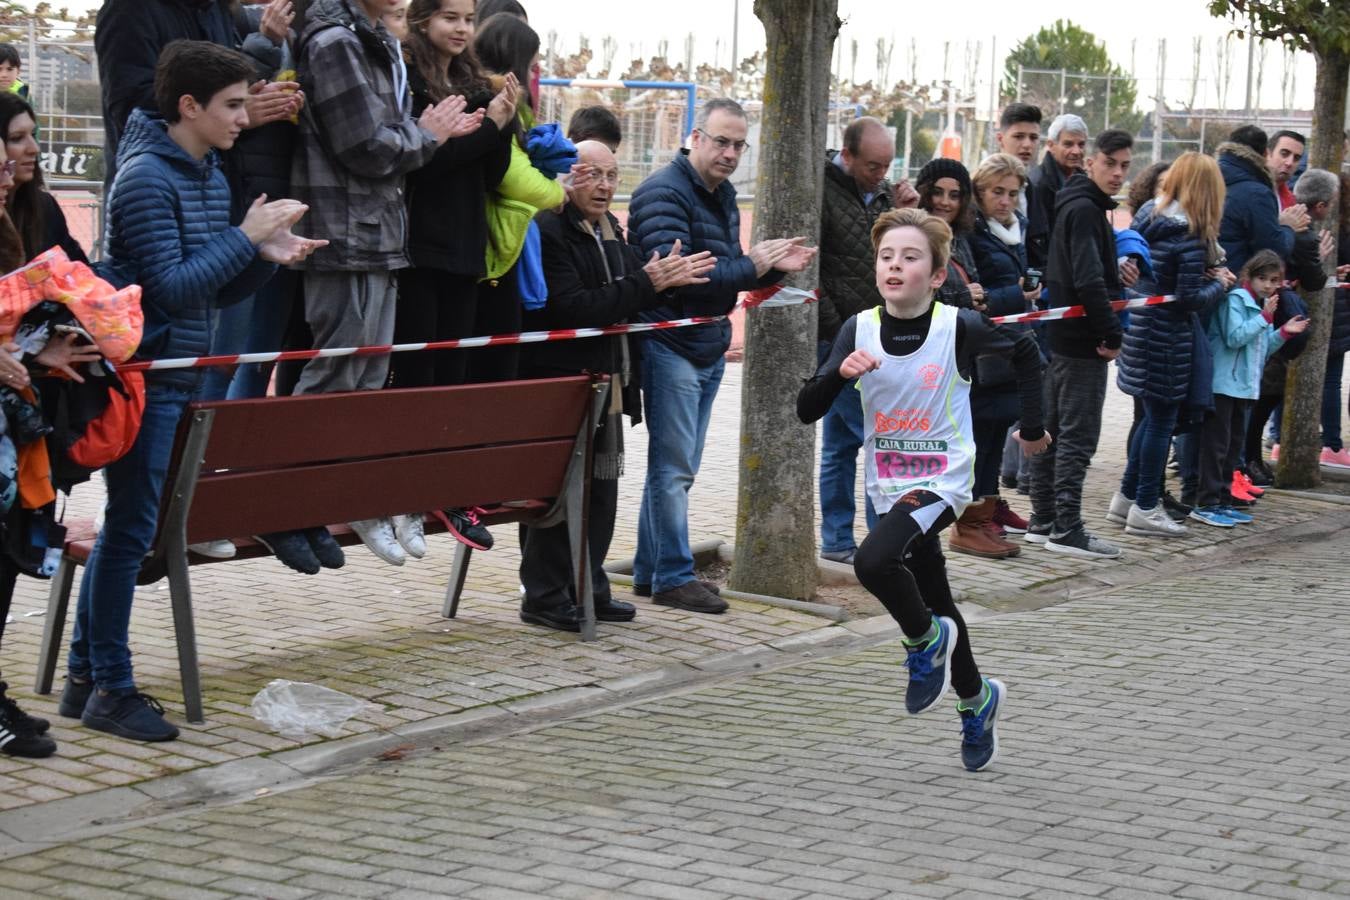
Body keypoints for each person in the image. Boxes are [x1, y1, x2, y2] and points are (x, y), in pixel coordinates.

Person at [57, 40, 325, 743]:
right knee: (131, 535)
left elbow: (208, 285)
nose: (245, 117)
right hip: (150, 379)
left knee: (131, 531)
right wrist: (245, 237)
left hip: (183, 373)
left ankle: (88, 676)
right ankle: (108, 686)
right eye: (233, 105)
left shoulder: (205, 172)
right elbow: (168, 292)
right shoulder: (147, 177)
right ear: (189, 106)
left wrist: (264, 257)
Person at [797, 208, 1049, 772]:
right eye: (887, 256)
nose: (894, 266)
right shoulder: (857, 329)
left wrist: (1030, 427)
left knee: (872, 562)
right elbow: (804, 410)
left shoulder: (956, 325)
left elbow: (1028, 351)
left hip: (943, 480)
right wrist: (839, 375)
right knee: (937, 599)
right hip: (888, 483)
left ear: (936, 275)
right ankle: (977, 699)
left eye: (910, 257)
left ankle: (922, 641)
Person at [288, 0, 478, 567]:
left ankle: (350, 499)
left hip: (378, 233)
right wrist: (428, 134)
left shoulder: (370, 37)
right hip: (344, 235)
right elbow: (366, 146)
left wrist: (422, 134)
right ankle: (297, 505)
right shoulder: (334, 41)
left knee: (368, 377)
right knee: (336, 373)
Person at [627, 97, 814, 613]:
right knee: (675, 469)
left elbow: (729, 269)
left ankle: (651, 570)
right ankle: (671, 575)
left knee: (675, 467)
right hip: (670, 345)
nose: (730, 153)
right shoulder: (662, 193)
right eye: (722, 141)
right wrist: (754, 267)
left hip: (704, 343)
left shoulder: (721, 193)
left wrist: (775, 269)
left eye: (739, 144)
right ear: (695, 136)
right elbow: (689, 275)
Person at [519, 140, 714, 631]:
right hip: (559, 388)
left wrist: (664, 278)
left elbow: (629, 291)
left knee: (601, 493)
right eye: (592, 174)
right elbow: (574, 308)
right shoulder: (547, 228)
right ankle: (544, 596)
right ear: (566, 175)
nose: (604, 186)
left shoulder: (610, 228)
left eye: (611, 175)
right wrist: (648, 283)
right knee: (560, 496)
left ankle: (589, 584)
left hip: (607, 386)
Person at [1109, 152, 1231, 538]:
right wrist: (1221, 283)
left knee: (1147, 418)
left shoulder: (1148, 214)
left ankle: (1127, 498)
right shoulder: (1192, 236)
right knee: (1161, 422)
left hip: (1141, 330)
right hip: (1169, 339)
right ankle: (1146, 505)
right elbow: (1189, 298)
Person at [1024, 129, 1131, 559]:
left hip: (1064, 338)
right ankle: (1065, 527)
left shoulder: (1077, 204)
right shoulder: (1085, 209)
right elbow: (1088, 278)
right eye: (1111, 163)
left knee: (1054, 431)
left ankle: (1044, 518)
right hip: (1082, 342)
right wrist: (1111, 331)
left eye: (1125, 165)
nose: (1118, 173)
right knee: (1077, 437)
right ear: (1091, 163)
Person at [814, 116, 893, 566]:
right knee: (874, 438)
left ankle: (840, 541)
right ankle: (876, 542)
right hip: (840, 341)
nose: (880, 173)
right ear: (847, 156)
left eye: (885, 165)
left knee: (841, 444)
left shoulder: (882, 192)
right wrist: (833, 329)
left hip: (875, 336)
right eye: (871, 166)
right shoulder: (823, 193)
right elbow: (817, 268)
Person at [958, 153, 1043, 557]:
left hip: (1013, 346)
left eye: (1012, 193)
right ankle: (970, 521)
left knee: (994, 436)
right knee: (980, 440)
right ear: (980, 192)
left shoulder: (1016, 229)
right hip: (984, 351)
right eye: (997, 192)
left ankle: (987, 512)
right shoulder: (974, 233)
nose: (1005, 200)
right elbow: (976, 295)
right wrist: (1017, 294)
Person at [1193, 250, 1308, 526]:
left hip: (1244, 386)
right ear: (1251, 276)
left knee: (1233, 448)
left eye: (1274, 280)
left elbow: (1262, 347)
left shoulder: (1258, 305)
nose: (1268, 286)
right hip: (1224, 385)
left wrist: (1283, 332)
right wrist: (1265, 319)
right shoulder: (1236, 301)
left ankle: (1222, 499)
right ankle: (1206, 501)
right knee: (1217, 446)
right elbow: (1234, 338)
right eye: (1263, 279)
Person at [0, 94, 88, 264]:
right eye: (17, 138)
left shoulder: (44, 208)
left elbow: (80, 273)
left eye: (33, 134)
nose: (34, 148)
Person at [994, 102, 1046, 269]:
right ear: (1001, 139)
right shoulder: (980, 187)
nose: (1027, 144)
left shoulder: (1031, 189)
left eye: (1033, 138)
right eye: (1019, 136)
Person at [1029, 113, 1087, 239]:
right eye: (1068, 144)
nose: (1076, 151)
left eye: (1081, 145)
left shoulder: (1084, 181)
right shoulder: (1039, 185)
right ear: (1051, 145)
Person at [1267, 129, 1306, 210]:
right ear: (1267, 153)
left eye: (1296, 158)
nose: (1289, 163)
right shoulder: (1247, 189)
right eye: (1284, 154)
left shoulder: (1291, 202)